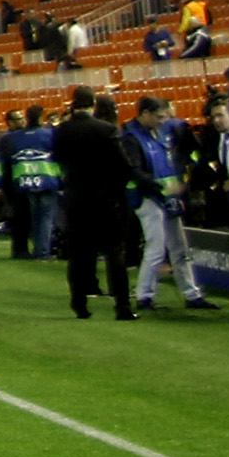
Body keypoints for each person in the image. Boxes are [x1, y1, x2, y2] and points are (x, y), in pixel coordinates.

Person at [52, 88, 139, 318]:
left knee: (79, 254)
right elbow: (123, 167)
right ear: (93, 105)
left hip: (76, 199)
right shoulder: (107, 130)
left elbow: (59, 159)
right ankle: (122, 306)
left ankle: (79, 302)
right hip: (106, 199)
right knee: (114, 253)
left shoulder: (62, 131)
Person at [122, 96, 204, 313]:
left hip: (168, 198)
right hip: (147, 198)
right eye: (158, 117)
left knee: (180, 248)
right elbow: (135, 171)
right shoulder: (131, 137)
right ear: (145, 113)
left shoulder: (166, 131)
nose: (162, 121)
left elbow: (185, 154)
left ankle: (191, 294)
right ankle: (144, 296)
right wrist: (161, 187)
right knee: (156, 248)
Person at [1, 108, 58, 258]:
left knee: (36, 216)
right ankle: (43, 251)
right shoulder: (49, 134)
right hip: (47, 179)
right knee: (45, 217)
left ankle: (36, 249)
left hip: (26, 180)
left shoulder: (17, 138)